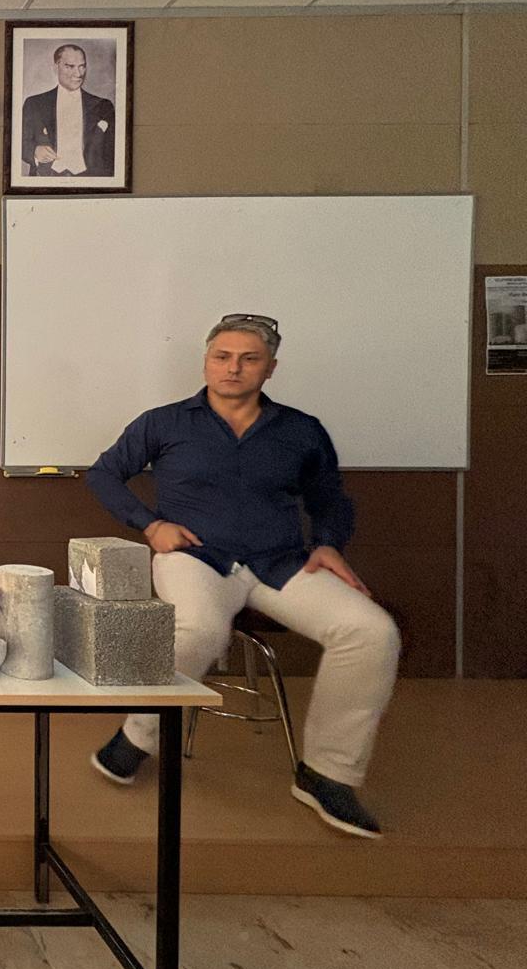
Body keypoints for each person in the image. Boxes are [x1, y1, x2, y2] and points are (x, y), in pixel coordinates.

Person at [83, 314, 400, 838]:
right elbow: (103, 474)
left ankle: (328, 774)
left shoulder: (301, 430)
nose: (233, 368)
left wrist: (328, 544)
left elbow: (329, 498)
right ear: (206, 362)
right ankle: (137, 737)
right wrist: (151, 524)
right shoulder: (165, 423)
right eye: (222, 357)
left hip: (280, 562)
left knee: (372, 631)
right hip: (195, 556)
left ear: (270, 368)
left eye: (249, 359)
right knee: (199, 630)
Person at [20, 43, 116, 178]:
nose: (78, 74)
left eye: (82, 66)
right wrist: (35, 151)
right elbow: (18, 143)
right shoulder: (34, 104)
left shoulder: (104, 107)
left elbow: (114, 153)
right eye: (70, 66)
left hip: (90, 181)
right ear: (56, 68)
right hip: (46, 179)